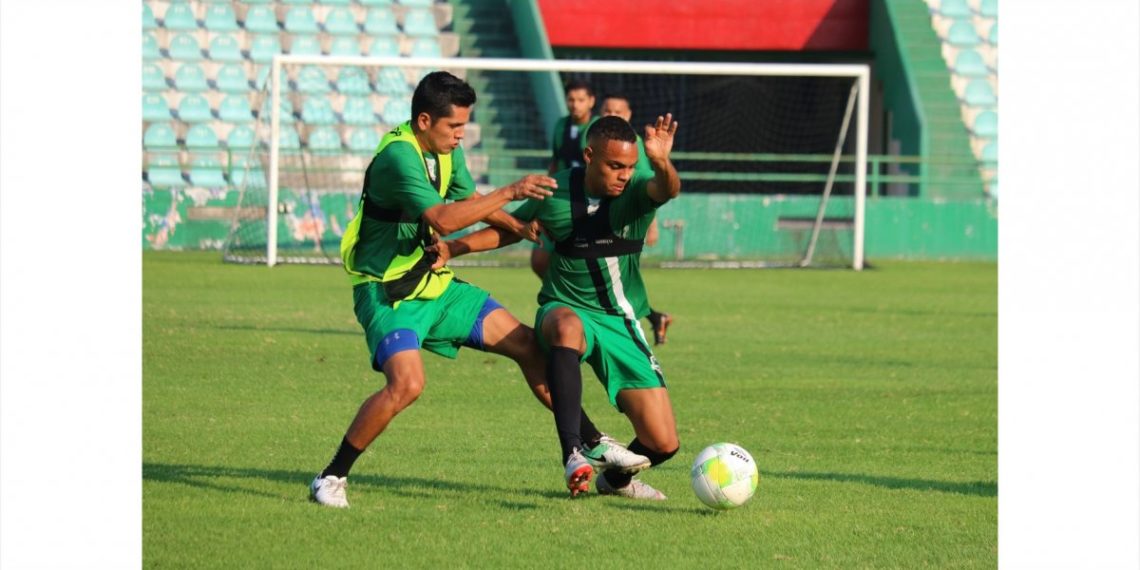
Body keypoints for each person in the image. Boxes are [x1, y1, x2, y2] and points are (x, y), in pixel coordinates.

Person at [310, 72, 646, 508]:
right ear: (425, 120)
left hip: (434, 282)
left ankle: (594, 442)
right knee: (407, 385)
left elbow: (471, 201)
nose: (460, 135)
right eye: (454, 126)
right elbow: (444, 219)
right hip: (387, 292)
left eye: (464, 126)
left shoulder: (446, 151)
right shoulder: (399, 156)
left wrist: (519, 226)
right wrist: (511, 192)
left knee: (528, 344)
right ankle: (331, 476)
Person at [439, 115, 682, 500]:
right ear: (589, 156)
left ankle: (614, 481)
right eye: (614, 166)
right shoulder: (554, 191)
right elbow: (511, 230)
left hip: (620, 321)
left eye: (630, 166)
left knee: (663, 442)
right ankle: (574, 451)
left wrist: (662, 163)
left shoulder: (636, 189)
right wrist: (452, 248)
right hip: (564, 307)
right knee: (568, 326)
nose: (624, 175)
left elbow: (667, 189)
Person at [598, 93, 674, 345]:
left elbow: (648, 188)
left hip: (621, 222)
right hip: (590, 215)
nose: (611, 115)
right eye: (607, 110)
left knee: (615, 279)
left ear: (629, 115)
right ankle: (654, 318)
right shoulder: (588, 134)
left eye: (618, 111)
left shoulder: (633, 143)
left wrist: (651, 225)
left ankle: (637, 325)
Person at [531, 80, 598, 279]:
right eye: (571, 99)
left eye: (581, 100)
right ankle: (557, 291)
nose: (575, 105)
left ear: (591, 101)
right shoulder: (561, 125)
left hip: (589, 203)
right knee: (539, 260)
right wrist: (544, 189)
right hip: (560, 198)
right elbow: (556, 161)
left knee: (584, 261)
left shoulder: (598, 127)